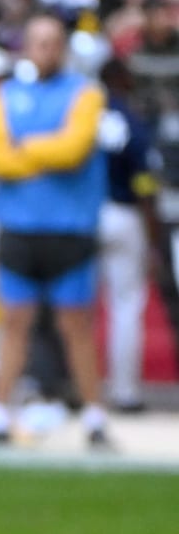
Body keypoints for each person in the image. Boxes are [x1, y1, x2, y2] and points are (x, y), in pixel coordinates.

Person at [0, 13, 110, 448]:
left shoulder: (85, 94)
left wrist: (27, 149)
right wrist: (44, 152)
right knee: (14, 321)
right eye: (36, 41)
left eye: (52, 42)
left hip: (68, 228)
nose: (44, 50)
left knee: (76, 324)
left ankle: (94, 415)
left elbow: (73, 149)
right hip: (19, 226)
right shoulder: (7, 95)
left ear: (64, 48)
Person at [96, 55, 167, 413]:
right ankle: (125, 393)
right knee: (126, 307)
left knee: (76, 309)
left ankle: (83, 392)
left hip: (81, 218)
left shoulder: (79, 116)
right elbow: (144, 185)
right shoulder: (130, 121)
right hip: (123, 215)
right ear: (122, 80)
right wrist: (153, 239)